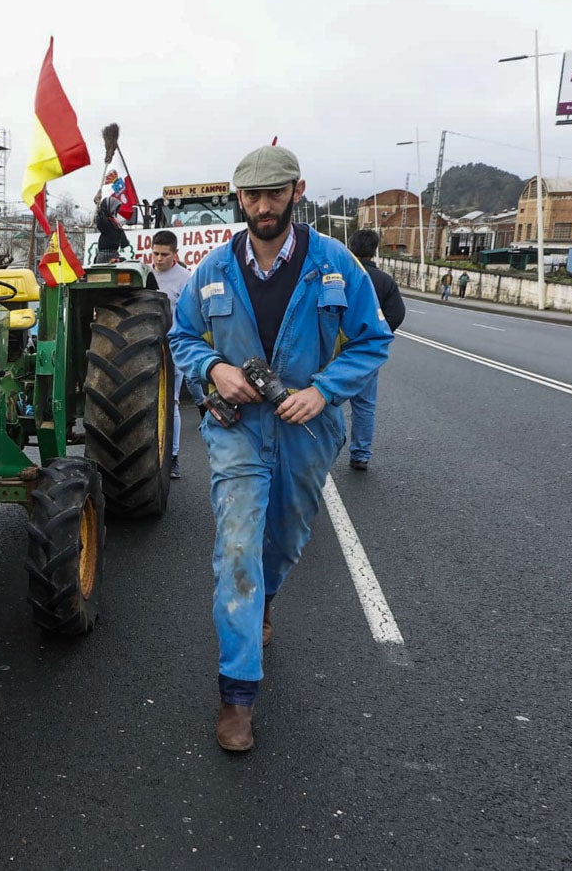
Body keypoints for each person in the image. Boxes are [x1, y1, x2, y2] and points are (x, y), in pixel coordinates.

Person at [169, 144, 392, 752]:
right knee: (237, 548)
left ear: (297, 190)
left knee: (284, 537)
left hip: (305, 431)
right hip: (238, 428)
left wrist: (323, 392)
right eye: (252, 196)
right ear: (238, 199)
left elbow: (373, 343)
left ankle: (266, 599)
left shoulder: (337, 266)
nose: (263, 207)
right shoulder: (212, 270)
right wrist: (213, 368)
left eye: (274, 194)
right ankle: (237, 696)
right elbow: (182, 337)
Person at [346, 230, 405, 471]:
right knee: (364, 404)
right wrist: (376, 336)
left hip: (334, 350)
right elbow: (397, 314)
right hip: (365, 353)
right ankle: (360, 454)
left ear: (350, 247)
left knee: (323, 399)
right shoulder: (384, 281)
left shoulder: (343, 275)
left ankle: (317, 452)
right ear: (375, 250)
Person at [149, 230, 202, 479]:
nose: (158, 259)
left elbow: (191, 316)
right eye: (155, 253)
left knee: (172, 402)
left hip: (172, 347)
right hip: (147, 348)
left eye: (164, 255)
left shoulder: (185, 279)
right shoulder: (144, 274)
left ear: (174, 254)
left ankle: (173, 457)